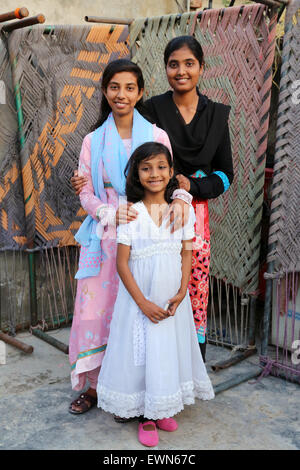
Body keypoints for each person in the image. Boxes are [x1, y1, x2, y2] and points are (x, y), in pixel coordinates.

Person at [71, 36, 234, 362]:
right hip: (140, 217)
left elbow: (225, 174)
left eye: (189, 64)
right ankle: (118, 377)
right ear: (165, 69)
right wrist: (86, 181)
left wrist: (189, 191)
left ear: (202, 67)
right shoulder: (153, 110)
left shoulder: (216, 115)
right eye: (174, 64)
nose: (182, 71)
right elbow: (120, 137)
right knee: (134, 299)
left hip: (186, 213)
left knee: (189, 292)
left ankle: (183, 368)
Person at [68, 59, 192, 415]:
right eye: (114, 87)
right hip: (107, 239)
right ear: (105, 91)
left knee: (139, 314)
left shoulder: (156, 136)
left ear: (140, 92)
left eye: (129, 88)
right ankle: (93, 387)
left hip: (147, 237)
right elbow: (86, 191)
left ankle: (139, 390)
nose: (121, 95)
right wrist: (107, 213)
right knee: (98, 313)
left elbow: (173, 178)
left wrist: (182, 199)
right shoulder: (93, 140)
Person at [97, 142, 214, 447]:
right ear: (136, 173)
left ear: (171, 172)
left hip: (172, 300)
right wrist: (143, 303)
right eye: (146, 168)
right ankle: (145, 417)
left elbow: (187, 252)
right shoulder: (131, 213)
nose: (155, 174)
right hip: (139, 301)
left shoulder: (181, 211)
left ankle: (163, 407)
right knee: (142, 353)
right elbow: (122, 264)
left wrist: (181, 291)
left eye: (161, 167)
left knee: (166, 351)